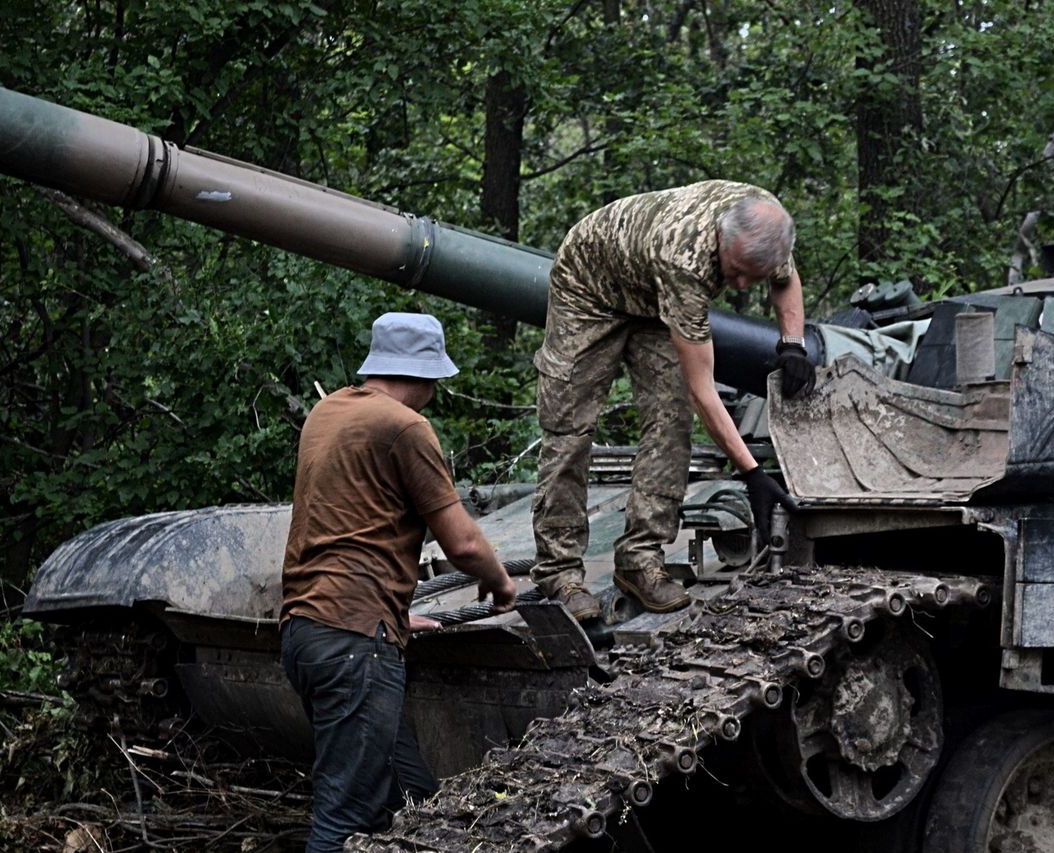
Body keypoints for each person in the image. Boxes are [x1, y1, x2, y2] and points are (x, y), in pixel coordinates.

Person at [280, 312, 517, 853]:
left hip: (309, 632)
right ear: (428, 374)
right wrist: (501, 584)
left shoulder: (328, 412)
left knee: (413, 800)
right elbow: (463, 544)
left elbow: (339, 524)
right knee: (342, 820)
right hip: (352, 649)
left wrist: (387, 609)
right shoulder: (405, 427)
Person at [532, 180, 814, 621]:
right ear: (721, 237)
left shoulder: (767, 223)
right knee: (570, 429)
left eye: (749, 279)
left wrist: (792, 343)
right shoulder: (686, 259)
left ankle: (640, 561)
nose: (737, 283)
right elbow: (703, 391)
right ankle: (560, 575)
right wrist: (753, 473)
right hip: (588, 288)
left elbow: (786, 279)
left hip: (651, 299)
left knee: (670, 422)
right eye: (734, 269)